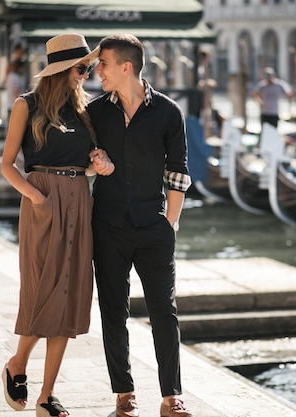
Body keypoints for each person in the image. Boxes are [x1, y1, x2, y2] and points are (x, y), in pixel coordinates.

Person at [0, 33, 114, 417]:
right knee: (42, 289)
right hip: (43, 198)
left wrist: (98, 164)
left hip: (80, 197)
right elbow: (6, 165)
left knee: (70, 293)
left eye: (90, 67)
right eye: (82, 68)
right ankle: (17, 364)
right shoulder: (26, 105)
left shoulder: (86, 111)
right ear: (62, 70)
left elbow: (87, 162)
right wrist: (37, 198)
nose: (88, 74)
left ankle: (47, 396)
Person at [86, 34, 193, 417]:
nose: (97, 71)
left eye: (103, 64)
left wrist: (171, 225)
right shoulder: (96, 112)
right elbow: (81, 160)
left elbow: (178, 174)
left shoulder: (168, 112)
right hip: (108, 227)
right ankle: (124, 393)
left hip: (154, 229)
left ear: (126, 67)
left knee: (165, 311)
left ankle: (171, 396)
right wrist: (95, 162)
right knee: (114, 311)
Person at [250, 67, 296, 132]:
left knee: (274, 131)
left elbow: (289, 95)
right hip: (265, 113)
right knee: (265, 132)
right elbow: (253, 93)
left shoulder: (279, 84)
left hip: (274, 113)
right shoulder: (262, 85)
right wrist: (259, 101)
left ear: (273, 76)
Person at [5, 43, 27, 118]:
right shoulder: (15, 77)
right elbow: (15, 91)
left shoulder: (13, 76)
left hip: (12, 106)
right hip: (15, 107)